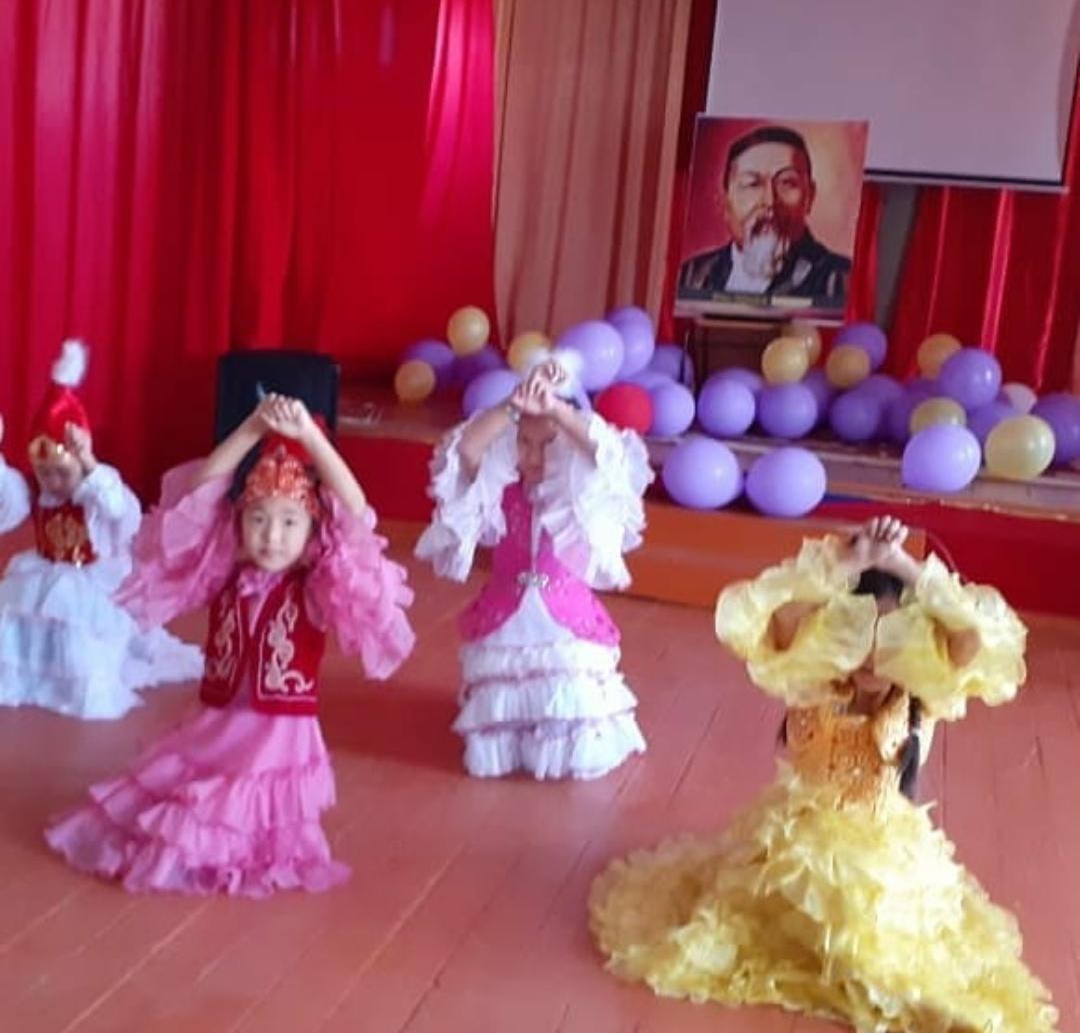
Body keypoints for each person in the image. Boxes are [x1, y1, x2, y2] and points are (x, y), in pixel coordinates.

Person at [590, 517, 1058, 1031]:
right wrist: (846, 563)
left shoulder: (921, 694)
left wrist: (903, 566)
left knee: (876, 951)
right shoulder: (812, 681)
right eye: (855, 634)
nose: (871, 657)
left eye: (889, 638)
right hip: (796, 846)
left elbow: (975, 633)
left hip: (881, 856)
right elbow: (773, 613)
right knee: (795, 938)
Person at [45, 394, 416, 896]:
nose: (272, 536)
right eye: (258, 518)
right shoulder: (222, 571)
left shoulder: (315, 586)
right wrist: (251, 428)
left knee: (233, 822)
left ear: (313, 531)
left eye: (289, 522)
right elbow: (201, 491)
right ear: (238, 522)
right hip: (217, 724)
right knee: (179, 806)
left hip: (277, 736)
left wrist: (311, 438)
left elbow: (354, 510)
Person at [415, 357, 652, 780]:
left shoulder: (578, 492)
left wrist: (556, 408)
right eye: (524, 442)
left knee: (568, 690)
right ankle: (513, 742)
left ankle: (561, 743)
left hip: (565, 619)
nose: (534, 455)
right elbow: (467, 449)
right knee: (507, 690)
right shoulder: (500, 486)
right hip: (506, 612)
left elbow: (605, 455)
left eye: (547, 443)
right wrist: (515, 404)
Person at [0, 340, 202, 719]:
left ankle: (76, 678)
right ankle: (34, 671)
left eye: (63, 472)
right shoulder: (39, 495)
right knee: (16, 618)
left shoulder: (96, 494)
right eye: (45, 473)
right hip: (44, 572)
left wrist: (90, 465)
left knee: (78, 635)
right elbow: (8, 502)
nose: (54, 482)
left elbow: (120, 509)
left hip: (89, 582)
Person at [679, 125, 851, 303]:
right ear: (724, 202)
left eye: (787, 182)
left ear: (810, 197)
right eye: (752, 184)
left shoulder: (842, 279)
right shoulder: (691, 275)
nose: (770, 201)